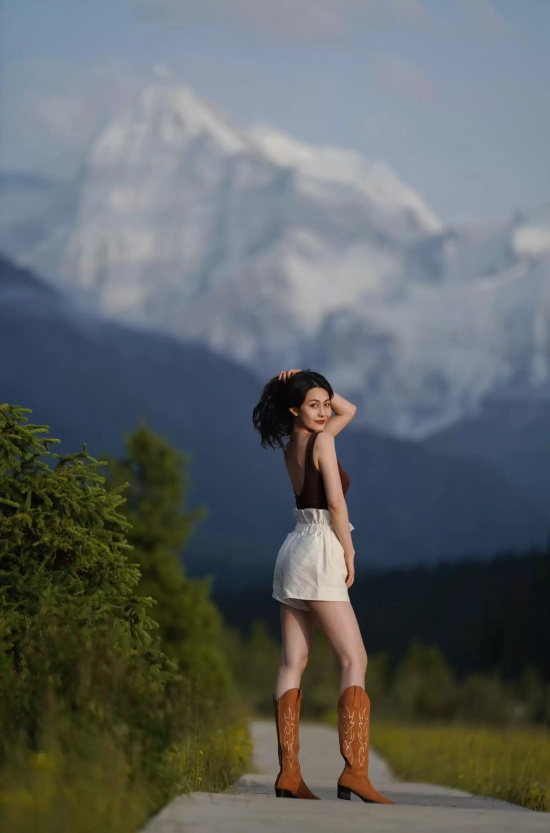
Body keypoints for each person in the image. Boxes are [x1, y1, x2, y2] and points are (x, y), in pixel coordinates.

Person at [252, 368, 394, 804]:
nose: (324, 411)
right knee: (354, 657)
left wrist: (304, 381)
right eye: (312, 405)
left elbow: (347, 408)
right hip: (321, 549)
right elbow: (335, 502)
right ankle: (355, 772)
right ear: (294, 409)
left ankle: (289, 774)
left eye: (324, 404)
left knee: (293, 660)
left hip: (293, 547)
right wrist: (349, 553)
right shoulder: (324, 442)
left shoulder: (292, 446)